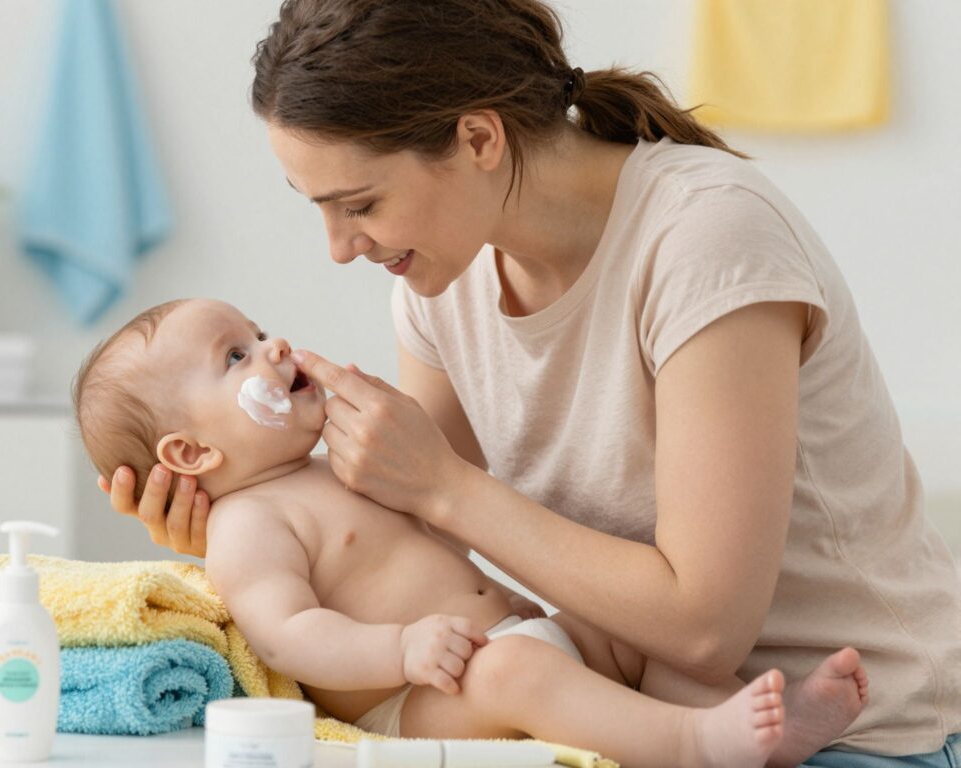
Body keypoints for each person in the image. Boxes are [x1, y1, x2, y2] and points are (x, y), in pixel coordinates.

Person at [103, 1, 961, 764]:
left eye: (359, 204)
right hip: (629, 712)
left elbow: (704, 629)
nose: (339, 246)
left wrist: (444, 485)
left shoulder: (706, 238)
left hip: (861, 732)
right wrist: (243, 510)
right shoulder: (444, 279)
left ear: (480, 139)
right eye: (315, 206)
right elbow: (398, 536)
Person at [76, 297, 872, 767]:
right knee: (516, 675)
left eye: (259, 329)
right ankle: (696, 743)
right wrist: (400, 650)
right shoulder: (249, 524)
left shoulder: (337, 466)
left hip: (515, 637)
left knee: (625, 622)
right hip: (422, 696)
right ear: (191, 453)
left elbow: (443, 530)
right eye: (237, 355)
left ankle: (755, 727)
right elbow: (287, 636)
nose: (274, 346)